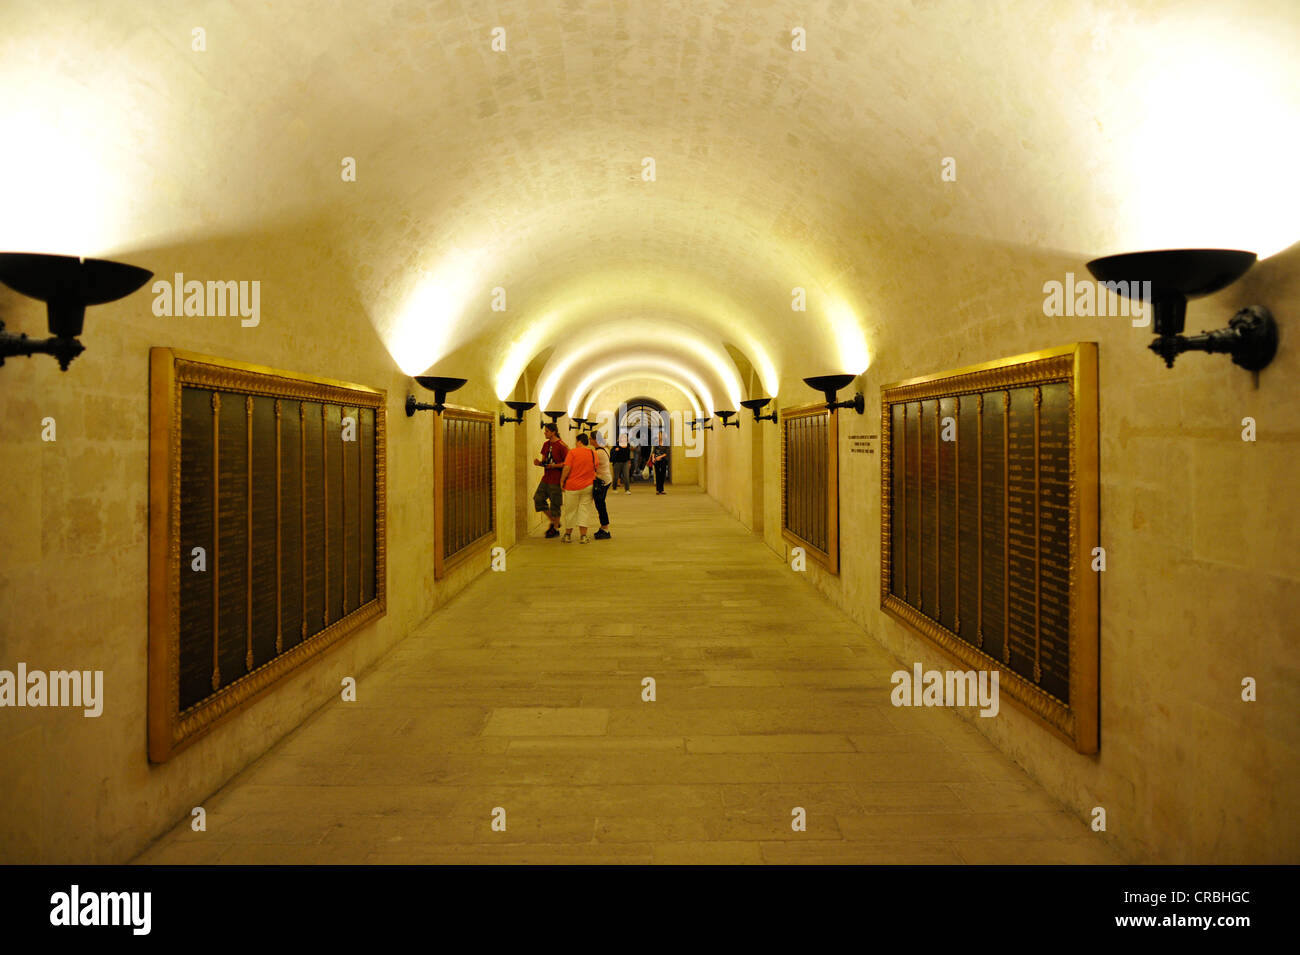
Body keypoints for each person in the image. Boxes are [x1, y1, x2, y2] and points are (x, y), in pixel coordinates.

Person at [559, 432, 598, 543]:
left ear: (580, 441)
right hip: (588, 486)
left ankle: (567, 535)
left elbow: (567, 468)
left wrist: (562, 480)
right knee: (584, 510)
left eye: (576, 441)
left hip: (572, 486)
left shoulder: (573, 452)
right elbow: (596, 467)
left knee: (570, 510)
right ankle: (583, 536)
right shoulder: (593, 453)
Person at [532, 422, 568, 538]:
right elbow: (545, 462)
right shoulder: (546, 444)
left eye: (547, 431)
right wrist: (539, 464)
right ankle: (554, 521)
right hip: (546, 478)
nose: (545, 433)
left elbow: (567, 464)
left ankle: (555, 528)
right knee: (538, 499)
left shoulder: (562, 445)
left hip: (556, 479)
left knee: (555, 505)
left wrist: (554, 466)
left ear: (553, 432)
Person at [590, 430, 613, 539]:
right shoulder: (605, 449)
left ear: (595, 440)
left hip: (601, 481)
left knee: (600, 505)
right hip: (606, 479)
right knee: (600, 504)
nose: (589, 440)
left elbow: (590, 465)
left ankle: (605, 528)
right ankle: (604, 527)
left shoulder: (598, 452)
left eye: (590, 438)